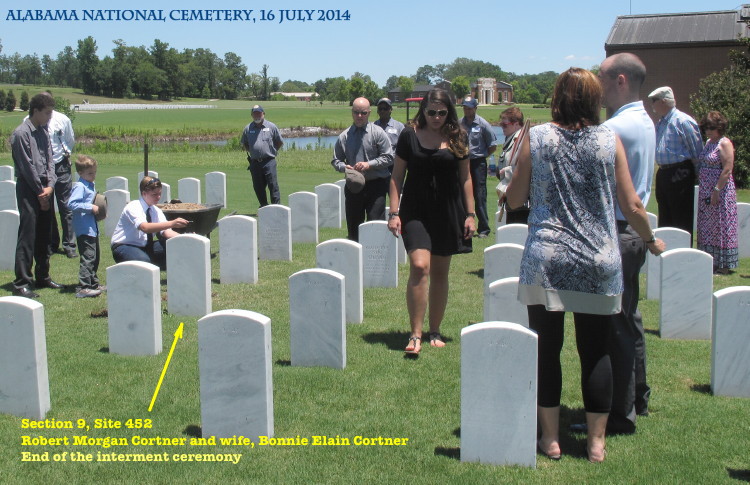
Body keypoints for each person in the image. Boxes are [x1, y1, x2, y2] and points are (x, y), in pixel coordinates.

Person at [505, 68, 665, 463]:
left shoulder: (537, 137)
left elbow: (515, 200)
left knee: (548, 348)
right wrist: (649, 239)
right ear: (594, 99)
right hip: (598, 258)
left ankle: (551, 439)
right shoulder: (608, 140)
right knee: (596, 350)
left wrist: (512, 183)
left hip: (548, 256)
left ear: (557, 97)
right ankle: (596, 443)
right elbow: (632, 205)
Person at [592, 52, 656, 434]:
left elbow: (625, 199)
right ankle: (637, 398)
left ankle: (619, 413)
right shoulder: (642, 119)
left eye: (600, 77)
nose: (596, 86)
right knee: (629, 320)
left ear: (619, 80)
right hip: (631, 231)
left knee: (615, 326)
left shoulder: (618, 127)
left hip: (619, 228)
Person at [387, 88, 474, 355]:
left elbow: (466, 178)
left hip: (448, 211)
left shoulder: (458, 136)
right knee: (420, 265)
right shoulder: (408, 135)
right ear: (423, 110)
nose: (436, 117)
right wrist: (393, 212)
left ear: (449, 111)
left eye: (442, 112)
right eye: (431, 112)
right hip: (415, 211)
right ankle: (415, 334)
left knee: (439, 273)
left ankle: (434, 330)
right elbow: (396, 177)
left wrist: (470, 215)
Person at [10, 92, 63, 298]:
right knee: (28, 234)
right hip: (29, 188)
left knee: (45, 234)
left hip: (45, 188)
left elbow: (51, 161)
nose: (50, 117)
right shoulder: (21, 134)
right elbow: (26, 166)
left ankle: (43, 275)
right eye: (47, 113)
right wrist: (41, 191)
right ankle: (22, 281)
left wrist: (50, 186)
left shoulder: (43, 131)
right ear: (36, 111)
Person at [331, 97, 393, 241]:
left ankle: (375, 260)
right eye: (356, 112)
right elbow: (335, 160)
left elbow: (389, 157)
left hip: (376, 185)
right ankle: (355, 259)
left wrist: (369, 164)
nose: (359, 116)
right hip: (353, 186)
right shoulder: (344, 136)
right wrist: (342, 166)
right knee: (354, 227)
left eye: (363, 113)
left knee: (375, 225)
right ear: (352, 113)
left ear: (369, 113)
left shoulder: (377, 133)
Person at [649, 86, 703, 244]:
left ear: (664, 101)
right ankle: (668, 255)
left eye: (654, 101)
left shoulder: (683, 121)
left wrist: (696, 175)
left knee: (681, 217)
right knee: (665, 216)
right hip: (664, 173)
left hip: (680, 172)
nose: (652, 104)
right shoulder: (661, 123)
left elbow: (696, 151)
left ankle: (683, 255)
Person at [110, 176, 188, 270]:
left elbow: (167, 232)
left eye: (159, 193)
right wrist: (172, 223)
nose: (158, 197)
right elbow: (144, 227)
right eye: (154, 194)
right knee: (144, 263)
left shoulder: (155, 210)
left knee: (174, 246)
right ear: (144, 193)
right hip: (124, 246)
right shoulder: (133, 206)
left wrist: (187, 238)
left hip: (144, 246)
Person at [696, 111, 738, 274]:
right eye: (706, 127)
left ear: (719, 127)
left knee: (721, 225)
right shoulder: (708, 143)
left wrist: (716, 190)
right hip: (705, 191)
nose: (708, 131)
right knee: (707, 226)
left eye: (711, 128)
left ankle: (724, 264)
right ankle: (709, 260)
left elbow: (727, 169)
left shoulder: (724, 143)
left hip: (720, 191)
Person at [460, 96, 497, 238]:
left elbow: (492, 145)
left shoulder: (483, 124)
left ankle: (484, 229)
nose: (466, 110)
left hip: (478, 162)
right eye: (464, 107)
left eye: (469, 108)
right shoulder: (459, 124)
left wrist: (482, 156)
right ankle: (464, 225)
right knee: (463, 193)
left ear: (475, 108)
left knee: (479, 195)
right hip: (463, 162)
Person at [67, 155, 103, 298]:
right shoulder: (80, 186)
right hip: (84, 227)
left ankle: (93, 283)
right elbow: (72, 204)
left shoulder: (89, 185)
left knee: (95, 256)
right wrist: (90, 207)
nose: (93, 176)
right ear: (80, 173)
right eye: (90, 173)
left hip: (92, 227)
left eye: (94, 172)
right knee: (88, 257)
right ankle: (83, 287)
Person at [47, 109, 77, 258]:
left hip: (61, 164)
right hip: (43, 166)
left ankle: (69, 244)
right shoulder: (29, 119)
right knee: (47, 206)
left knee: (66, 205)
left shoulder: (62, 119)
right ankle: (52, 243)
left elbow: (70, 140)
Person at [240, 105, 284, 208]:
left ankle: (276, 207)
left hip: (269, 161)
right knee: (258, 186)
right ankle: (263, 206)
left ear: (263, 114)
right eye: (255, 113)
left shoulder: (271, 126)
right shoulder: (248, 128)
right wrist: (252, 151)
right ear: (251, 115)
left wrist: (272, 151)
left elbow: (279, 142)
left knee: (272, 185)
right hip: (254, 162)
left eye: (259, 113)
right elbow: (245, 143)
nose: (257, 115)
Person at [496, 107, 529, 224]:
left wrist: (506, 172)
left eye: (505, 124)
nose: (501, 127)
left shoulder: (523, 141)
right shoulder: (512, 140)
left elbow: (524, 169)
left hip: (521, 202)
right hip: (512, 198)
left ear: (516, 124)